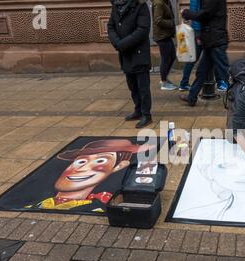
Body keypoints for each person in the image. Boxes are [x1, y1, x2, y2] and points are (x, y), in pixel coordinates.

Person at [25, 139, 154, 212]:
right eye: (81, 161)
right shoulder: (37, 204)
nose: (82, 168)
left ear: (118, 167)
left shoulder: (98, 205)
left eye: (101, 161)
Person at [107, 0, 153, 128]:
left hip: (139, 54)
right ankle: (138, 110)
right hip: (125, 54)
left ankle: (146, 114)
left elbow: (142, 29)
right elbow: (110, 26)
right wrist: (117, 42)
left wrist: (123, 44)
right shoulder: (116, 6)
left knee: (143, 87)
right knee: (132, 86)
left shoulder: (141, 6)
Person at [179, 0, 230, 106]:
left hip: (215, 40)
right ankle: (192, 97)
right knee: (202, 71)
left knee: (225, 72)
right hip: (211, 39)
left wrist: (187, 13)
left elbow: (205, 13)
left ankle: (241, 95)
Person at [153, 0, 178, 91]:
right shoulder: (159, 3)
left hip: (166, 34)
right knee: (166, 58)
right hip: (162, 36)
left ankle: (164, 78)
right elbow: (158, 20)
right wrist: (171, 23)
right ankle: (163, 82)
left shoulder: (165, 1)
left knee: (172, 56)